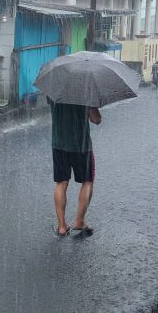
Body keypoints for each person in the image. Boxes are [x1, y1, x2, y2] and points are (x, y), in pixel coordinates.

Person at [49, 100, 101, 237]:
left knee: (61, 182)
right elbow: (96, 119)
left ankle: (61, 226)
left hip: (59, 143)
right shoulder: (85, 89)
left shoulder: (54, 87)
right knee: (87, 181)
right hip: (81, 145)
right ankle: (79, 221)